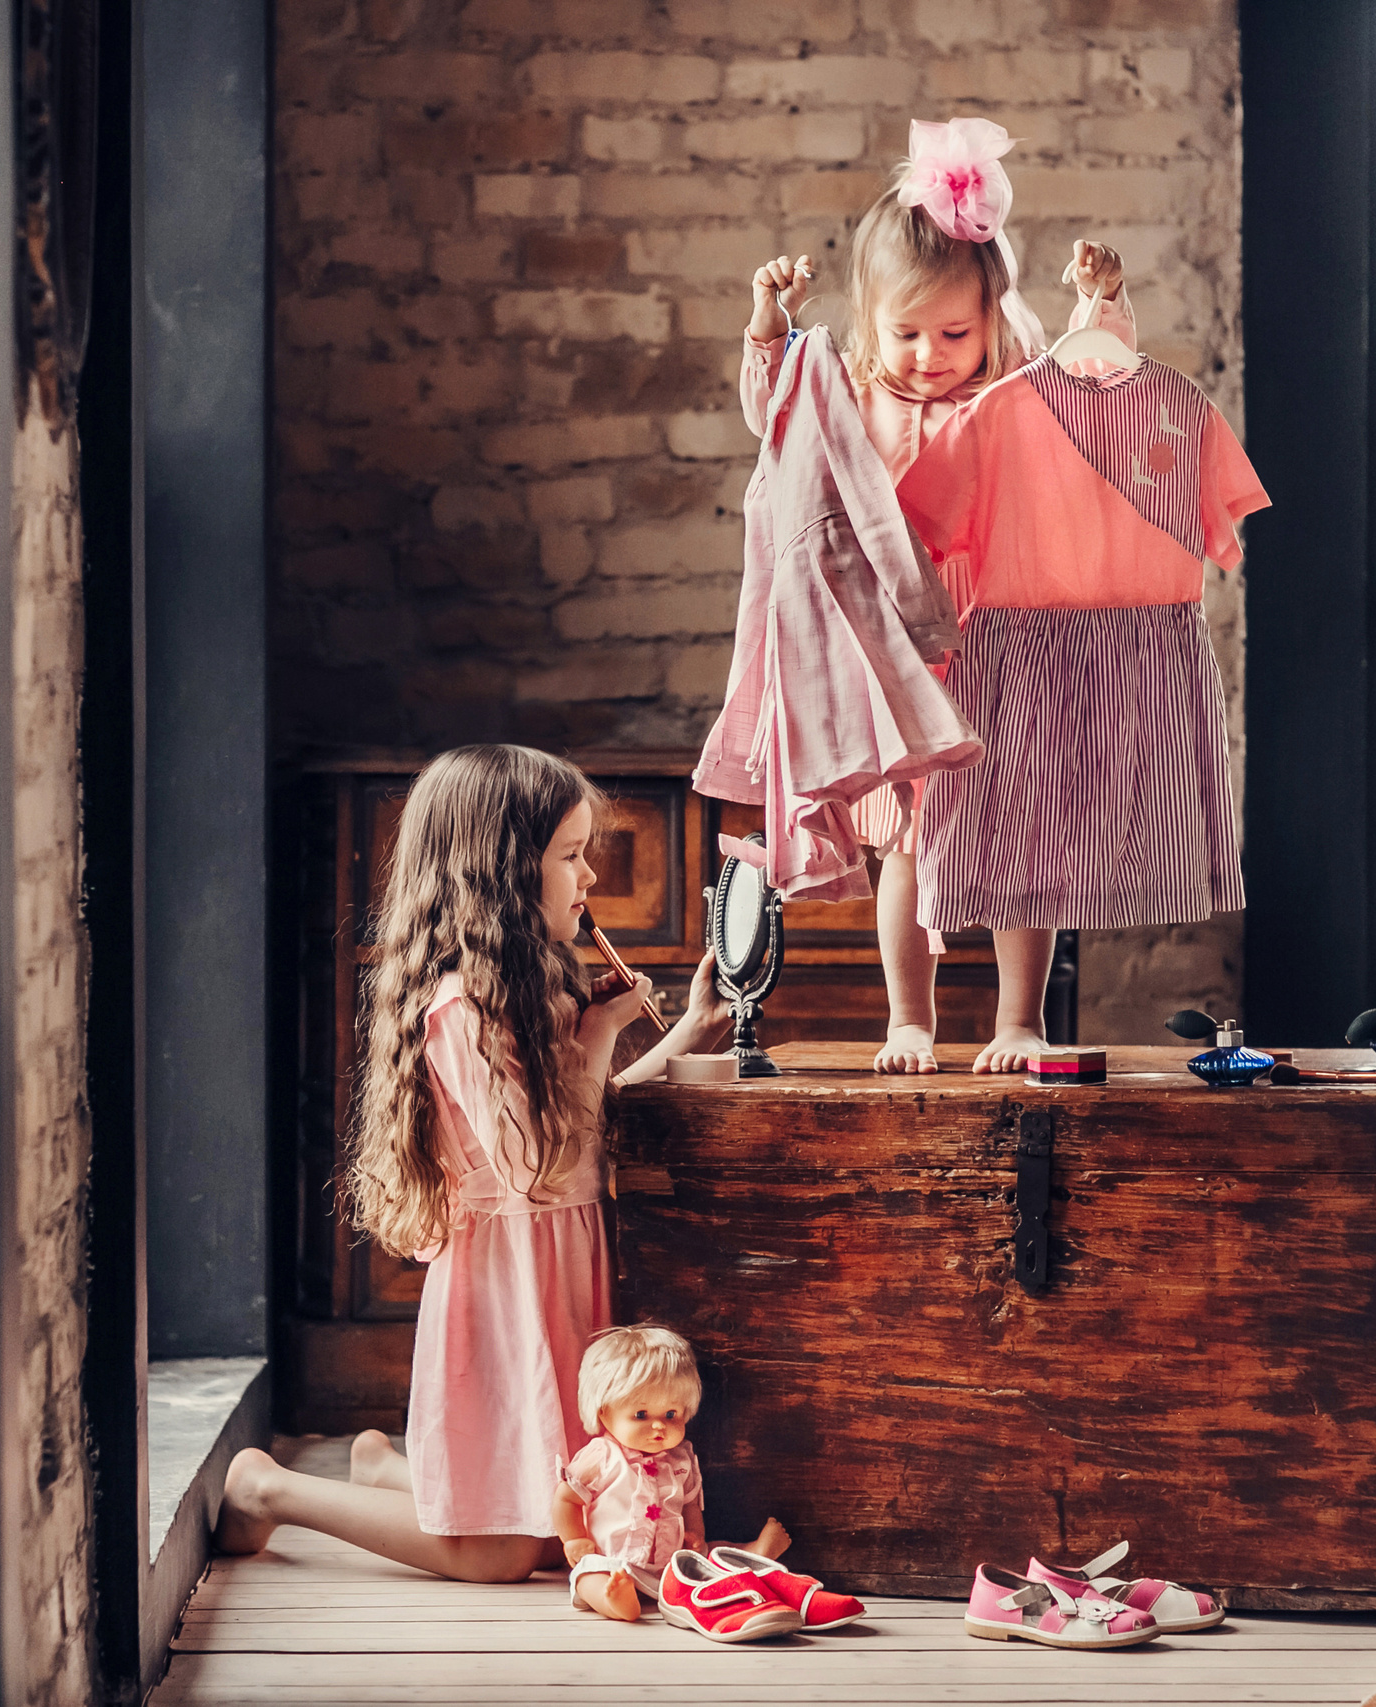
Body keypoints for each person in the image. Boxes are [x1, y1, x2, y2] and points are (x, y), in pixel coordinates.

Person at [213, 745, 732, 1581]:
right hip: (509, 1279)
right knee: (504, 1551)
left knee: (566, 1505)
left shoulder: (535, 991)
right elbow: (535, 1166)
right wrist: (599, 1036)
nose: (590, 876)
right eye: (570, 855)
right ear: (501, 873)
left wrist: (688, 1032)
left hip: (562, 1261)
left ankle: (395, 1472)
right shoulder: (463, 1009)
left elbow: (582, 1129)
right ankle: (269, 1489)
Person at [740, 116, 1139, 1078]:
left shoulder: (1015, 385)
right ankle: (909, 1016)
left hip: (1010, 645)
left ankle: (1019, 1020)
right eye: (906, 332)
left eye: (955, 331)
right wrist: (770, 327)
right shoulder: (852, 395)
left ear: (995, 320)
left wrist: (1101, 304)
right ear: (871, 323)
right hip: (909, 660)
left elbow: (1099, 384)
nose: (929, 354)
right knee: (909, 849)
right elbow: (773, 418)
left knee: (1023, 843)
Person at [552, 1324, 792, 1622]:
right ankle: (613, 1599)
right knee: (587, 1573)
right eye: (641, 1415)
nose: (659, 1426)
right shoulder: (601, 1456)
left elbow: (691, 1505)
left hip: (673, 1566)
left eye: (671, 1414)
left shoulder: (682, 1458)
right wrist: (573, 1539)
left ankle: (755, 1553)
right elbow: (566, 1500)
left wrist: (696, 1537)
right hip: (613, 1563)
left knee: (708, 1556)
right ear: (603, 1412)